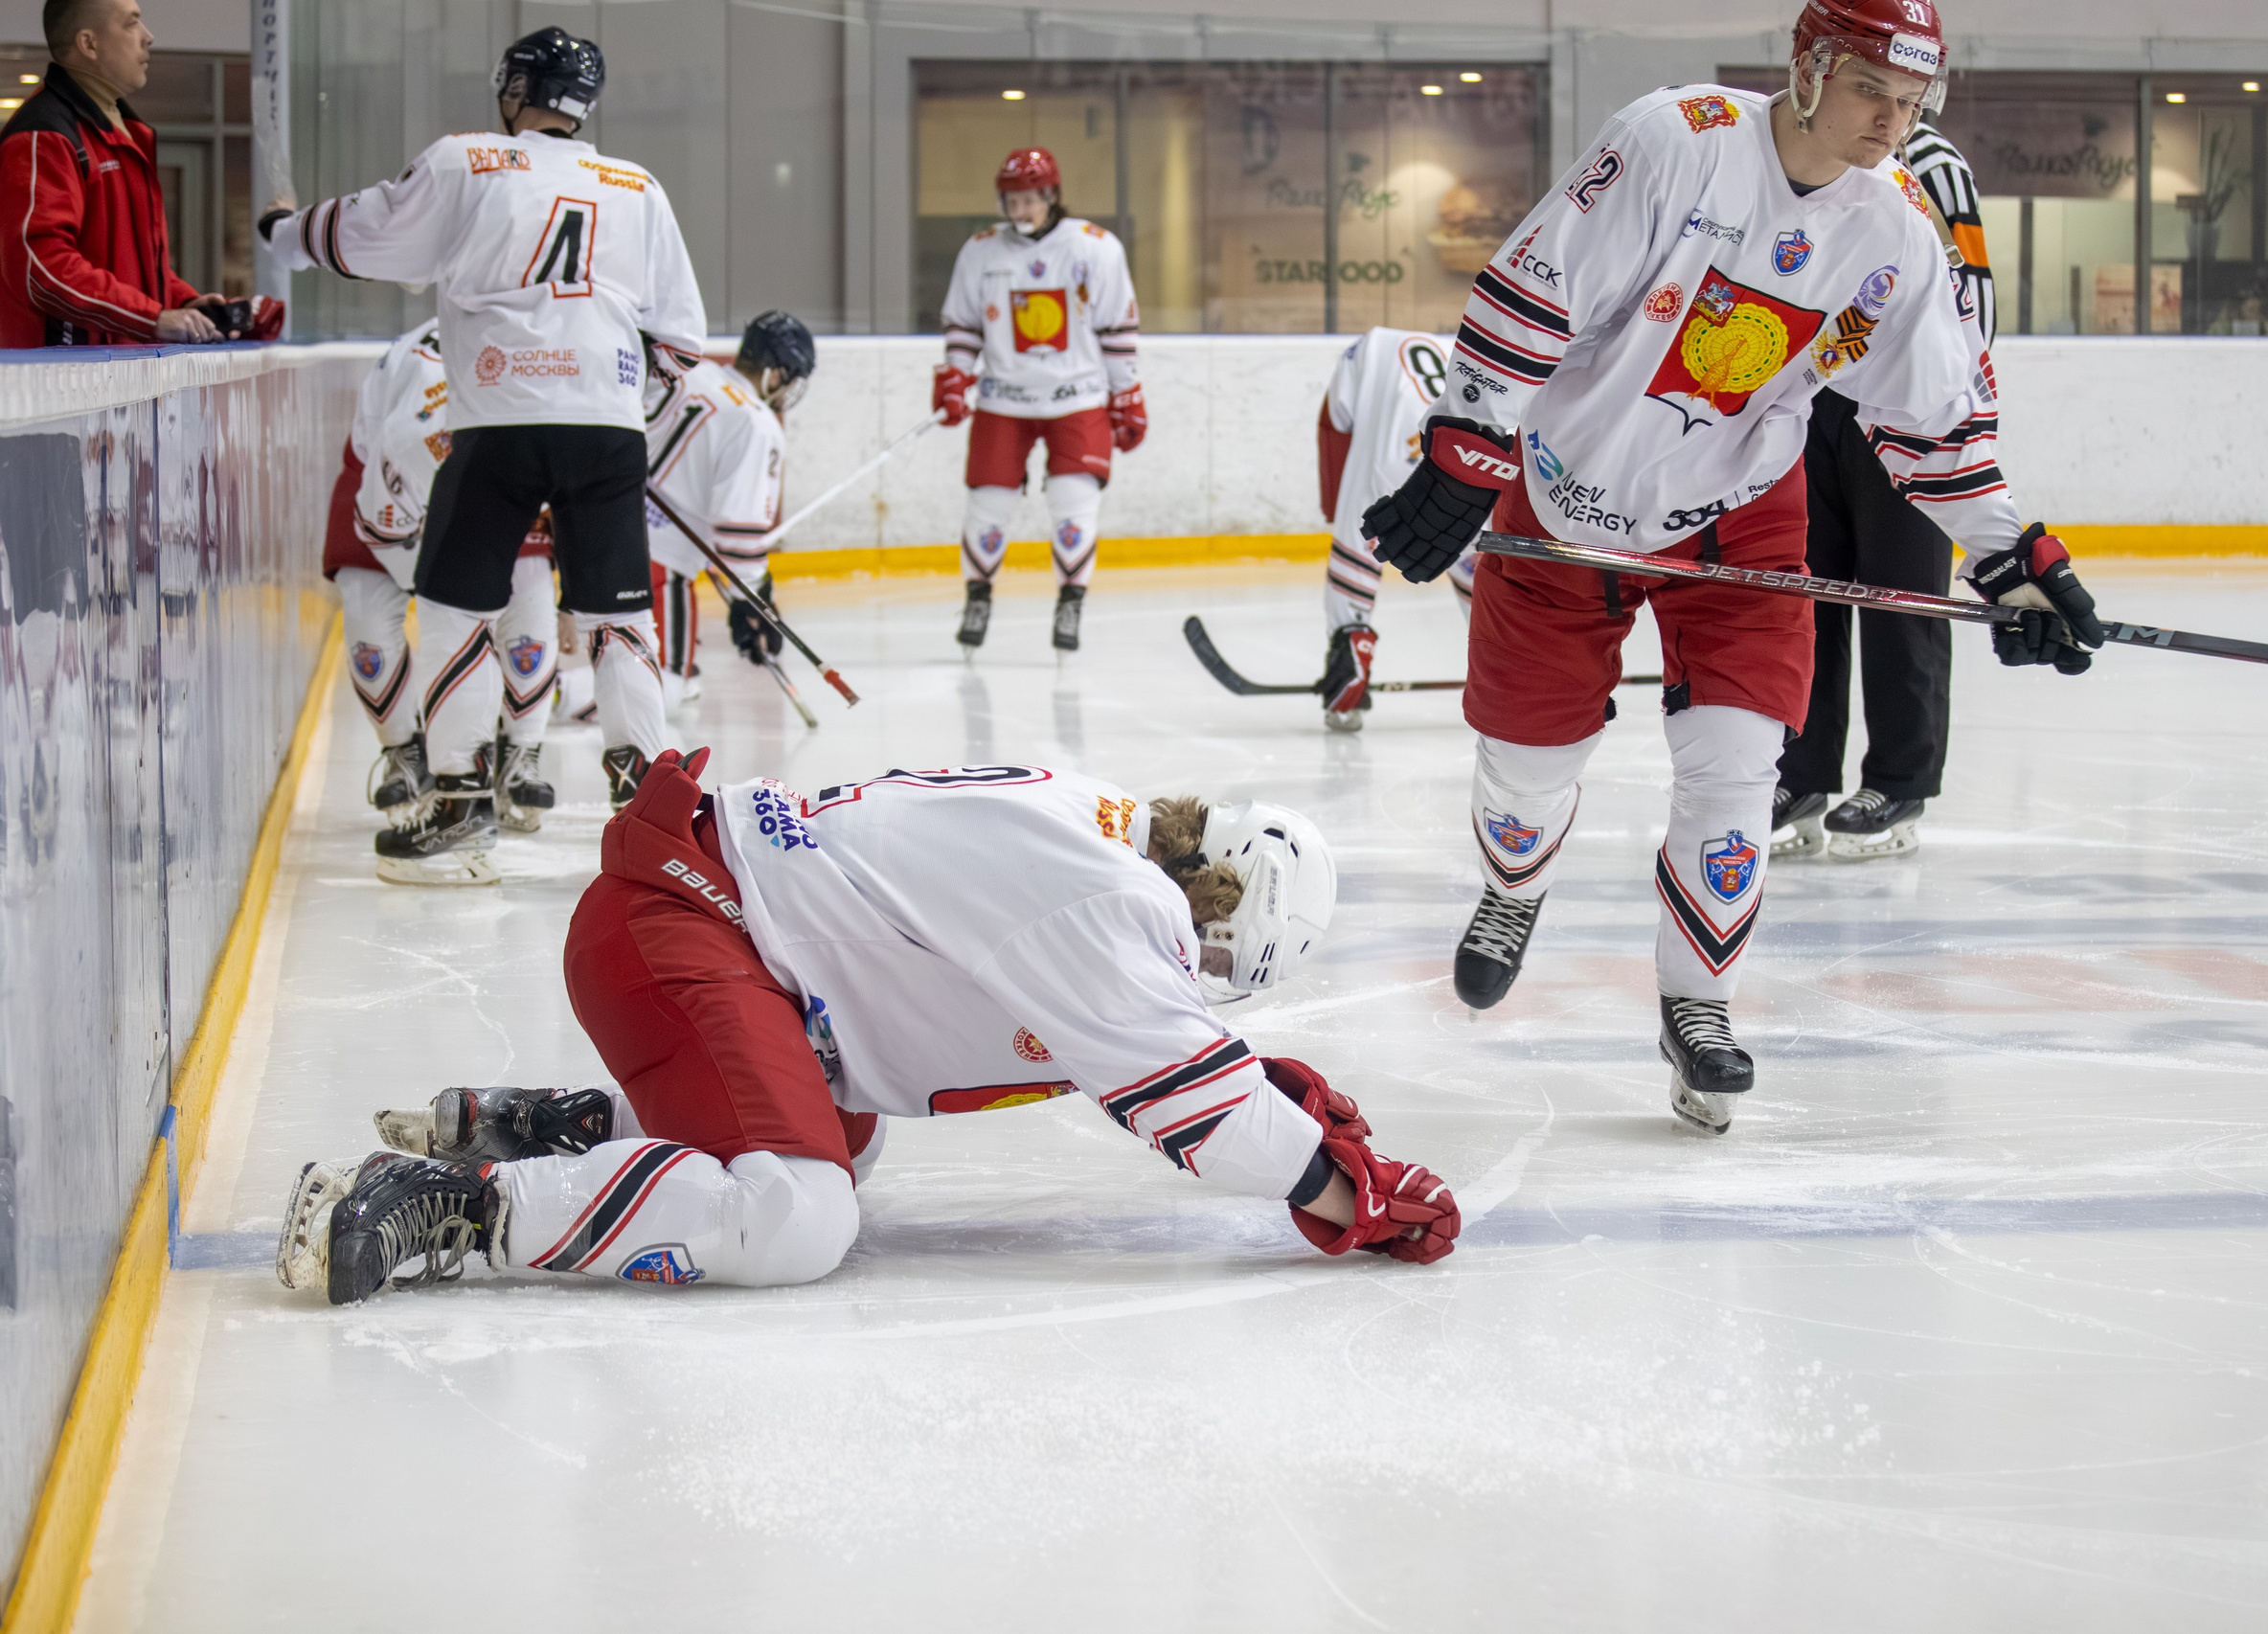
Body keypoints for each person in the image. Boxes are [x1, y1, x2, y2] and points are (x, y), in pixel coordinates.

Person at [1361, 0, 2102, 1136]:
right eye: (1869, 92)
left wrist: (2012, 558)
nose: (1886, 126)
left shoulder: (1897, 226)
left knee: (1736, 770)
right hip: (1564, 501)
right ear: (1806, 67)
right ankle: (1512, 891)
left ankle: (1697, 1004)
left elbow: (1934, 420)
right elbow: (1536, 283)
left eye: (1910, 106)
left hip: (1738, 519)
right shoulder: (1677, 139)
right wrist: (1467, 446)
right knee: (1525, 770)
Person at [275, 752, 1461, 1303]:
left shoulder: (1094, 828)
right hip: (682, 932)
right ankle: (455, 1208)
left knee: (844, 1144)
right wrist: (1335, 1179)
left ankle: (562, 1128)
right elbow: (1184, 1101)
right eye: (1207, 959)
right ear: (1216, 896)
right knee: (797, 1211)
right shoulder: (1118, 898)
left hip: (692, 926)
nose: (1187, 976)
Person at [260, 25, 707, 882]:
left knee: (461, 611)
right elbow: (680, 343)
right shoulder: (636, 185)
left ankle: (462, 805)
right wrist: (613, 403)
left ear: (513, 90)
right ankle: (653, 810)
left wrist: (286, 232)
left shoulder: (469, 162)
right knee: (622, 618)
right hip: (607, 430)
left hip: (497, 423)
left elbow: (362, 235)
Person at [1770, 106, 1996, 860]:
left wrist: (1940, 409)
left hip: (1901, 404)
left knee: (1904, 595)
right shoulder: (1802, 148)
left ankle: (1900, 779)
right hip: (1808, 399)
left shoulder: (1931, 158)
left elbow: (1973, 293)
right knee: (1808, 594)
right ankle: (1800, 774)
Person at [323, 323, 560, 859]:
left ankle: (522, 750)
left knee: (530, 596)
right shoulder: (412, 440)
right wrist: (445, 596)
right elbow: (382, 527)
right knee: (367, 616)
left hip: (501, 468)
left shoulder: (546, 405)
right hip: (387, 498)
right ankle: (404, 751)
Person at [934, 147, 1145, 652]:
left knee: (1073, 506)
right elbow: (964, 324)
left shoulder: (1096, 248)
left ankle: (1071, 601)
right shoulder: (980, 251)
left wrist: (1127, 395)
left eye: (1030, 199)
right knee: (987, 505)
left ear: (1052, 196)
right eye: (1011, 200)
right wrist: (956, 377)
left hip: (1078, 398)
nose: (1019, 210)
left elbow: (1117, 328)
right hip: (1003, 401)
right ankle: (978, 595)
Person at [0, 0, 279, 348]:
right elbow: (41, 269)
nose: (148, 36)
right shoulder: (44, 135)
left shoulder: (123, 134)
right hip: (64, 385)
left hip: (117, 380)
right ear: (89, 44)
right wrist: (152, 318)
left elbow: (132, 270)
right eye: (131, 24)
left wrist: (180, 303)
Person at [641, 309, 816, 709]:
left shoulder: (691, 372)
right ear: (774, 372)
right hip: (656, 564)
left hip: (598, 519)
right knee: (660, 694)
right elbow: (738, 535)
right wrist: (755, 602)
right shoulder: (756, 423)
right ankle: (562, 693)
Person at [1315, 326, 1478, 732]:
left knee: (1357, 551)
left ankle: (1350, 653)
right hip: (1463, 460)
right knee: (1478, 566)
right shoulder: (1469, 342)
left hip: (1389, 457)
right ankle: (1513, 670)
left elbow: (1334, 421)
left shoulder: (1368, 343)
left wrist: (1338, 505)